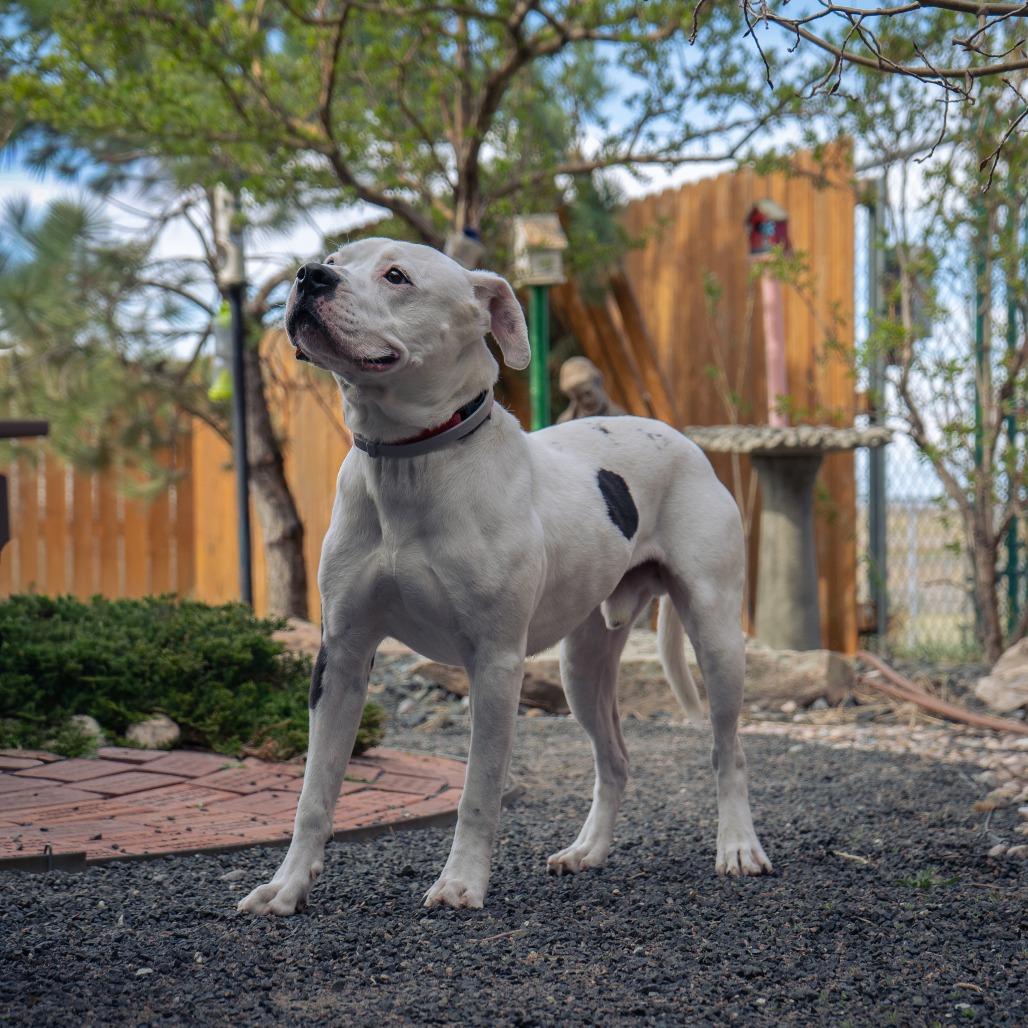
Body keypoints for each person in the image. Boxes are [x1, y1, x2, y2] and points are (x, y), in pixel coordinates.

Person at [556, 356, 625, 423]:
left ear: (598, 384)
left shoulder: (619, 418)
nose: (586, 401)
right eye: (578, 398)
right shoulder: (565, 423)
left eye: (588, 393)